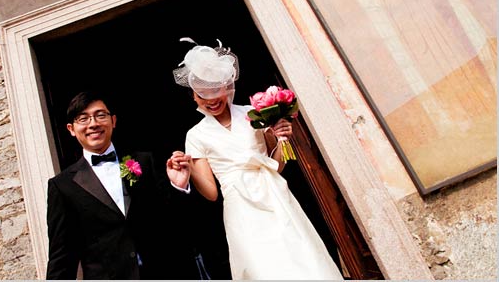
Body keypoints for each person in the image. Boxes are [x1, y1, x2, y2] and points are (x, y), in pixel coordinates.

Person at [167, 38, 345, 280]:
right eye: (203, 93)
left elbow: (278, 164)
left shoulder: (253, 115)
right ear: (194, 97)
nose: (211, 99)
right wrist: (182, 179)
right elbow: (211, 193)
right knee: (262, 268)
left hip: (275, 194)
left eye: (216, 89)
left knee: (301, 259)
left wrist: (282, 138)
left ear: (227, 86)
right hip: (240, 209)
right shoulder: (195, 135)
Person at [46, 90, 196, 280]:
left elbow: (177, 222)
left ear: (113, 121)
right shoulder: (62, 186)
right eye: (83, 119)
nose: (93, 123)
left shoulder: (144, 161)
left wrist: (180, 187)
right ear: (71, 129)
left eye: (100, 115)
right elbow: (61, 257)